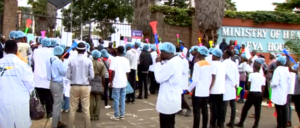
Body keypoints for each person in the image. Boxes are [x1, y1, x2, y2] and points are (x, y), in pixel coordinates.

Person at [0, 40, 35, 128]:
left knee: (5, 124)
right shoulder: (23, 65)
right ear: (16, 50)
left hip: (3, 100)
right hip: (20, 100)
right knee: (21, 124)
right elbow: (30, 84)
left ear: (4, 50)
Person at [154, 42, 183, 128]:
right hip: (173, 97)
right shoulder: (178, 59)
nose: (160, 54)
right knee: (170, 123)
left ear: (167, 52)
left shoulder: (171, 63)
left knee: (166, 124)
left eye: (162, 52)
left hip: (168, 99)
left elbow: (159, 78)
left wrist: (158, 64)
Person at [67, 42, 94, 128]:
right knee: (86, 109)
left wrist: (73, 77)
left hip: (74, 86)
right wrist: (86, 78)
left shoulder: (71, 60)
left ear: (77, 50)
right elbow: (92, 76)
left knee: (72, 109)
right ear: (85, 50)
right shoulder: (88, 61)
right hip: (85, 86)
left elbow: (68, 75)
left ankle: (71, 126)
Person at [235, 58, 266, 128]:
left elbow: (248, 83)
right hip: (259, 94)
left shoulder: (252, 75)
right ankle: (256, 124)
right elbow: (263, 87)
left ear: (254, 68)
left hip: (252, 93)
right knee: (257, 110)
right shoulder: (262, 77)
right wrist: (262, 94)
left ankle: (241, 123)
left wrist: (249, 89)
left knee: (245, 109)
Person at [46, 46, 68, 128]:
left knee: (59, 102)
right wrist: (63, 64)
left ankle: (59, 121)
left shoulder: (48, 60)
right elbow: (63, 72)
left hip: (52, 83)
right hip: (58, 83)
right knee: (57, 105)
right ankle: (54, 125)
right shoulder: (58, 61)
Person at [190, 46, 211, 128]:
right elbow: (209, 78)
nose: (197, 53)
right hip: (205, 91)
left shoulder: (197, 64)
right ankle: (204, 126)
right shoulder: (209, 64)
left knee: (197, 111)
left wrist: (188, 89)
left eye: (198, 52)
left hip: (198, 91)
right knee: (205, 110)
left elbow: (195, 81)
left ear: (201, 54)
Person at [33, 37, 54, 118]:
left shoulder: (36, 51)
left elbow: (33, 61)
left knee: (40, 96)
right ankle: (49, 113)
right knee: (48, 96)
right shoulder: (51, 52)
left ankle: (40, 112)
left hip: (37, 76)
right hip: (47, 76)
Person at [109, 46, 131, 120]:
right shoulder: (126, 60)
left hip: (116, 82)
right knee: (123, 98)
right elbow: (128, 72)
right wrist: (126, 80)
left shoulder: (114, 59)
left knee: (116, 98)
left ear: (117, 51)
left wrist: (111, 81)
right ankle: (122, 114)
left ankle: (116, 115)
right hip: (123, 82)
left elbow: (112, 71)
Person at [271, 56, 290, 128]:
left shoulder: (277, 70)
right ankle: (284, 125)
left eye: (277, 61)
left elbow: (275, 83)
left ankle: (279, 125)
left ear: (279, 62)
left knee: (279, 111)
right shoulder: (286, 70)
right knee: (284, 109)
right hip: (284, 93)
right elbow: (289, 82)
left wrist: (271, 83)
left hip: (278, 93)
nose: (276, 62)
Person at [222, 50, 239, 128]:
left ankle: (222, 122)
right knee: (233, 105)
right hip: (233, 86)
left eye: (224, 53)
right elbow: (237, 74)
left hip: (227, 84)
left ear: (227, 54)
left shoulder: (224, 63)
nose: (223, 54)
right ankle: (232, 122)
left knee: (224, 104)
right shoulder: (233, 63)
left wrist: (232, 82)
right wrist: (236, 84)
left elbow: (227, 73)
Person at [210, 48, 226, 128]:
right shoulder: (223, 64)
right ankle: (221, 123)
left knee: (214, 108)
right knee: (221, 108)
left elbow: (213, 77)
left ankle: (213, 124)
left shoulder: (213, 64)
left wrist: (209, 88)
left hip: (214, 90)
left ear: (215, 56)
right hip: (221, 90)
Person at [176, 46, 192, 117]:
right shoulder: (180, 58)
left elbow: (185, 71)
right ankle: (180, 109)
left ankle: (188, 108)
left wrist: (177, 70)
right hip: (180, 81)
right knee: (179, 96)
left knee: (180, 96)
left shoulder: (183, 59)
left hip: (182, 81)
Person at [90, 50, 106, 121]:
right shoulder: (101, 64)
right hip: (99, 81)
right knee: (98, 99)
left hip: (91, 81)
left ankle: (91, 115)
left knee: (91, 99)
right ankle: (96, 115)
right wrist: (103, 85)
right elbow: (103, 76)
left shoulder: (90, 63)